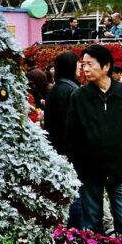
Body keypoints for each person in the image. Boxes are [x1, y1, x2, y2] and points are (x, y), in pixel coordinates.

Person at [65, 44, 122, 236]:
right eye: (83, 64)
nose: (85, 69)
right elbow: (72, 135)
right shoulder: (79, 96)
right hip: (90, 172)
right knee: (92, 227)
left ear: (106, 66)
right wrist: (79, 163)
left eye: (90, 64)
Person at [44, 51, 81, 227]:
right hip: (71, 150)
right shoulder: (72, 91)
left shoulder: (56, 89)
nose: (81, 67)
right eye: (79, 64)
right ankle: (78, 231)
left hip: (59, 148)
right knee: (76, 193)